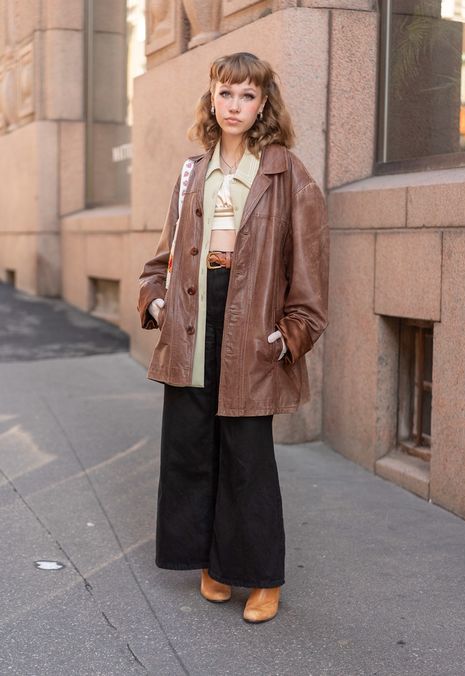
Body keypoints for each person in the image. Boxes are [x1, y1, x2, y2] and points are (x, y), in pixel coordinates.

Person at [137, 52, 329, 624]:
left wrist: (289, 337)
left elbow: (310, 270)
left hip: (254, 322)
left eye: (247, 96)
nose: (234, 105)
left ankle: (262, 577)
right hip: (193, 317)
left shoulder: (285, 172)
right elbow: (162, 256)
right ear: (211, 98)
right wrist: (156, 302)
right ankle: (212, 563)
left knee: (247, 455)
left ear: (263, 104)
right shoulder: (192, 172)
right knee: (192, 447)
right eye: (226, 93)